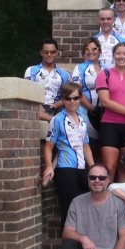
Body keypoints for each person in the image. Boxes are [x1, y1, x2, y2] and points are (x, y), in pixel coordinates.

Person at [43, 83, 94, 233]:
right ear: (63, 99)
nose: (72, 101)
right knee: (69, 207)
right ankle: (66, 241)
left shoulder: (83, 119)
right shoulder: (57, 120)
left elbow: (86, 146)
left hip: (81, 167)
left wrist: (93, 168)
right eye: (68, 98)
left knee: (97, 192)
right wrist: (48, 166)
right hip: (65, 168)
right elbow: (48, 147)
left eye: (76, 98)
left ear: (80, 98)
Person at [96, 42, 125, 183]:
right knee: (110, 167)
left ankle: (124, 204)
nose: (121, 56)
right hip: (109, 125)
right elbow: (106, 102)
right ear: (113, 55)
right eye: (118, 53)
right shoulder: (104, 75)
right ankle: (107, 203)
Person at [24, 38, 70, 122]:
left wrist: (54, 106)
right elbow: (28, 92)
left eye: (52, 52)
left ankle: (54, 120)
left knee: (69, 113)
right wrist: (42, 110)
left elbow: (66, 97)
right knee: (30, 109)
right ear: (41, 52)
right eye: (46, 52)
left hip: (56, 107)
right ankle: (53, 120)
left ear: (57, 53)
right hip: (36, 106)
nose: (49, 54)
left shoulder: (65, 75)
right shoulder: (31, 71)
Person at [72, 37, 106, 148]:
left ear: (99, 50)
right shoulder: (80, 68)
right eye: (87, 49)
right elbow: (77, 91)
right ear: (84, 52)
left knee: (102, 143)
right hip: (85, 110)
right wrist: (92, 109)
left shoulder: (106, 69)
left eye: (94, 48)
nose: (91, 52)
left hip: (103, 111)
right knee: (88, 144)